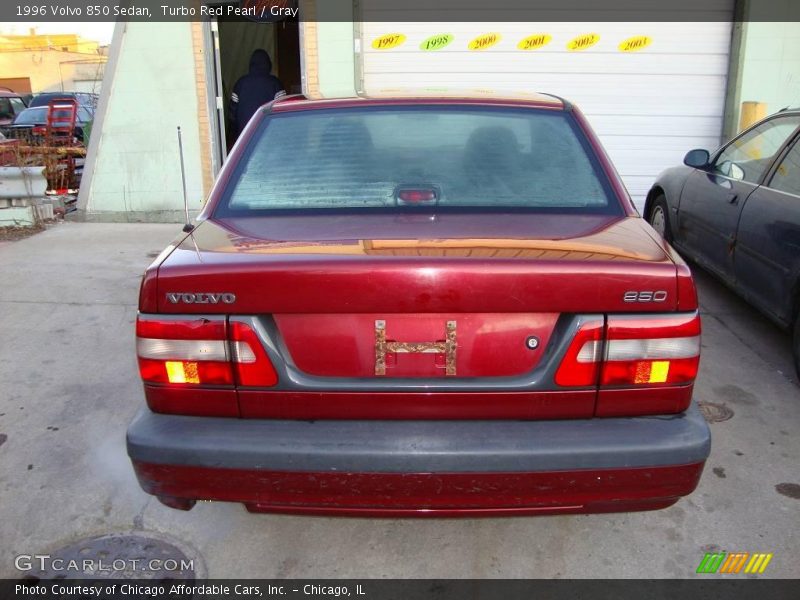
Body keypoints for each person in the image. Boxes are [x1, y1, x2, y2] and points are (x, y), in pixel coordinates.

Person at [229, 49, 284, 138]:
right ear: (268, 64)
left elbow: (232, 114)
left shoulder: (240, 83)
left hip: (245, 137)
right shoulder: (275, 83)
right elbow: (283, 111)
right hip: (268, 136)